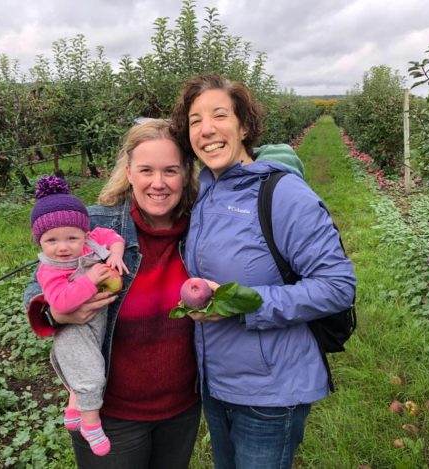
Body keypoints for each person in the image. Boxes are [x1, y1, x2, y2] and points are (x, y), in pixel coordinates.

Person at [170, 73, 357, 469]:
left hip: (271, 391)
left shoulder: (283, 194)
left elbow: (338, 286)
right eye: (195, 120)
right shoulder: (203, 190)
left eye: (220, 114)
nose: (207, 129)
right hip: (215, 385)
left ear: (244, 125)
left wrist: (242, 304)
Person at [24, 120, 201, 468]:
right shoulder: (94, 225)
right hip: (110, 413)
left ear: (186, 174)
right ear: (129, 173)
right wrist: (55, 313)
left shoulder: (202, 227)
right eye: (146, 170)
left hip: (182, 408)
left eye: (171, 170)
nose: (158, 183)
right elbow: (38, 286)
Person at [31, 174, 129, 456]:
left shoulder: (91, 241)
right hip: (73, 331)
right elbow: (60, 303)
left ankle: (74, 407)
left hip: (94, 328)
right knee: (90, 376)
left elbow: (112, 237)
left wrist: (116, 255)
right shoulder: (49, 270)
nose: (63, 247)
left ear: (85, 234)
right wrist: (88, 280)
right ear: (40, 242)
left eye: (72, 238)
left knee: (88, 364)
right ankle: (91, 424)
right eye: (51, 240)